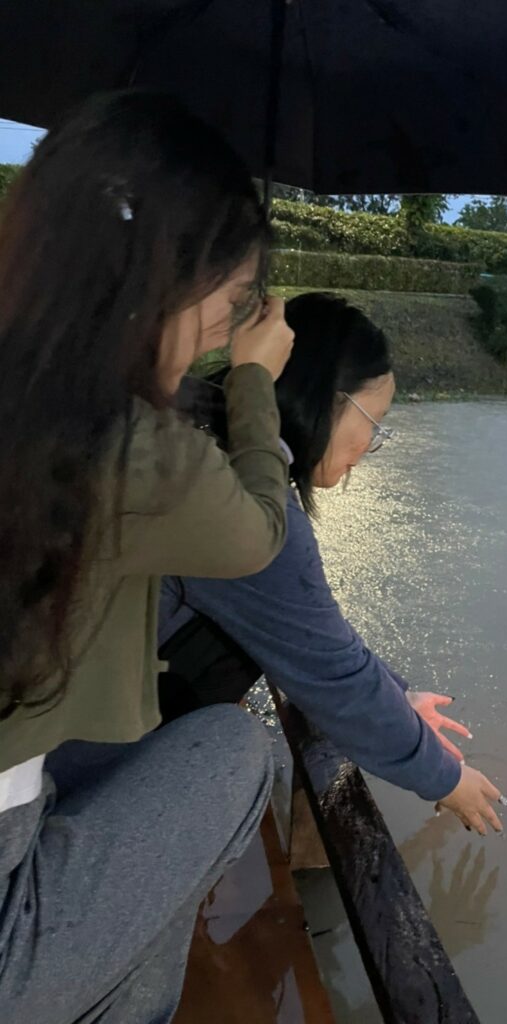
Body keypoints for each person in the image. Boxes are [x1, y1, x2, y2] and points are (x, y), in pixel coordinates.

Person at [0, 90, 295, 1024]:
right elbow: (257, 536)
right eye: (230, 300)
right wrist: (251, 383)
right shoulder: (122, 447)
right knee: (232, 748)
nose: (223, 325)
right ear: (160, 281)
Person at [160, 292, 504, 835]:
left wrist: (395, 693)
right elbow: (333, 674)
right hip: (57, 772)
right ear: (326, 398)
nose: (372, 444)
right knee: (244, 750)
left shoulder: (196, 438)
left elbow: (309, 631)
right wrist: (447, 779)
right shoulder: (243, 499)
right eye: (376, 421)